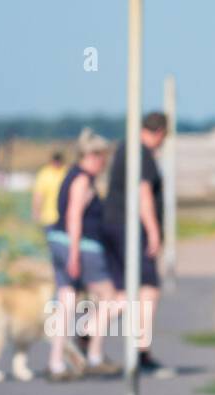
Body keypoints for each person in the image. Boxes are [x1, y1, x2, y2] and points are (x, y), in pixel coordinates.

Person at [45, 130, 121, 381]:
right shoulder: (83, 181)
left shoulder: (70, 175)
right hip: (81, 245)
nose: (105, 164)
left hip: (57, 240)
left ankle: (56, 362)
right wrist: (75, 254)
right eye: (104, 158)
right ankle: (93, 351)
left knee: (66, 301)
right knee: (111, 297)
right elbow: (74, 217)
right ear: (94, 156)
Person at [102, 111, 169, 374]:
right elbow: (144, 194)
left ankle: (87, 332)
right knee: (148, 288)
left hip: (115, 226)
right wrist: (154, 231)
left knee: (124, 292)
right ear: (161, 133)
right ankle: (141, 352)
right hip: (132, 230)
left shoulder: (125, 148)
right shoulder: (142, 154)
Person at [31, 151, 66, 227]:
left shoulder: (65, 172)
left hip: (63, 218)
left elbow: (38, 195)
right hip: (49, 218)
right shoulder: (45, 174)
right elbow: (38, 195)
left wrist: (36, 213)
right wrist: (36, 212)